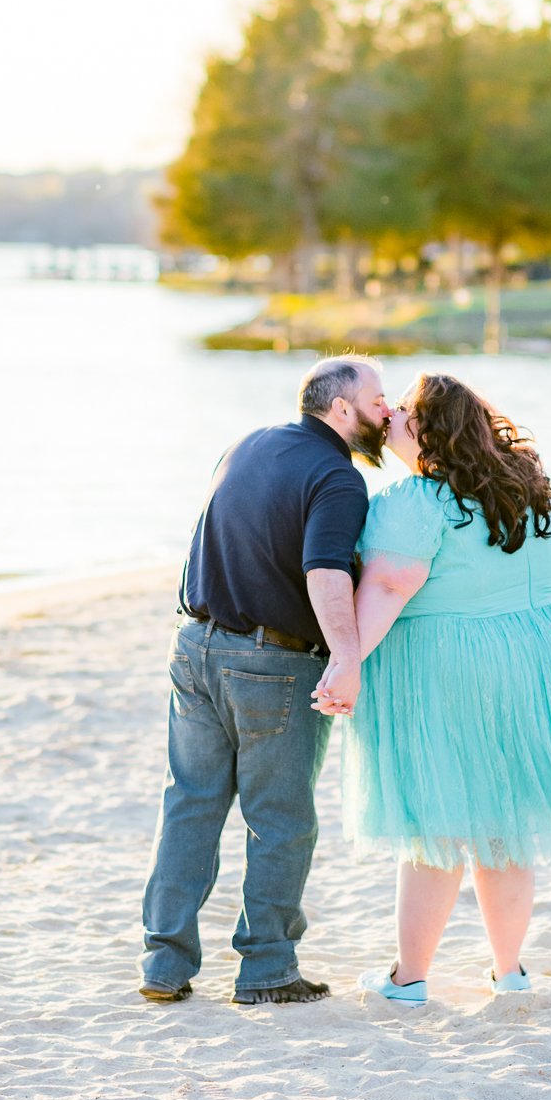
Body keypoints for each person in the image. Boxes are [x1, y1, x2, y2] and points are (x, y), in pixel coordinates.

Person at [313, 372, 551, 1004]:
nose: (389, 419)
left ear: (427, 430)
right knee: (505, 822)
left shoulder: (415, 501)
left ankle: (409, 978)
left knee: (433, 820)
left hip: (448, 665)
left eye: (400, 411)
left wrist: (347, 660)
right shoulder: (526, 487)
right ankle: (509, 971)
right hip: (535, 660)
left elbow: (390, 585)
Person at [139, 355, 389, 1006]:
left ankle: (163, 965)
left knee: (190, 803)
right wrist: (346, 655)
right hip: (272, 665)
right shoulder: (338, 478)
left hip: (193, 646)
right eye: (377, 399)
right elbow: (325, 572)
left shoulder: (245, 444)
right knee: (280, 820)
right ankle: (267, 968)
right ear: (341, 409)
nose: (385, 411)